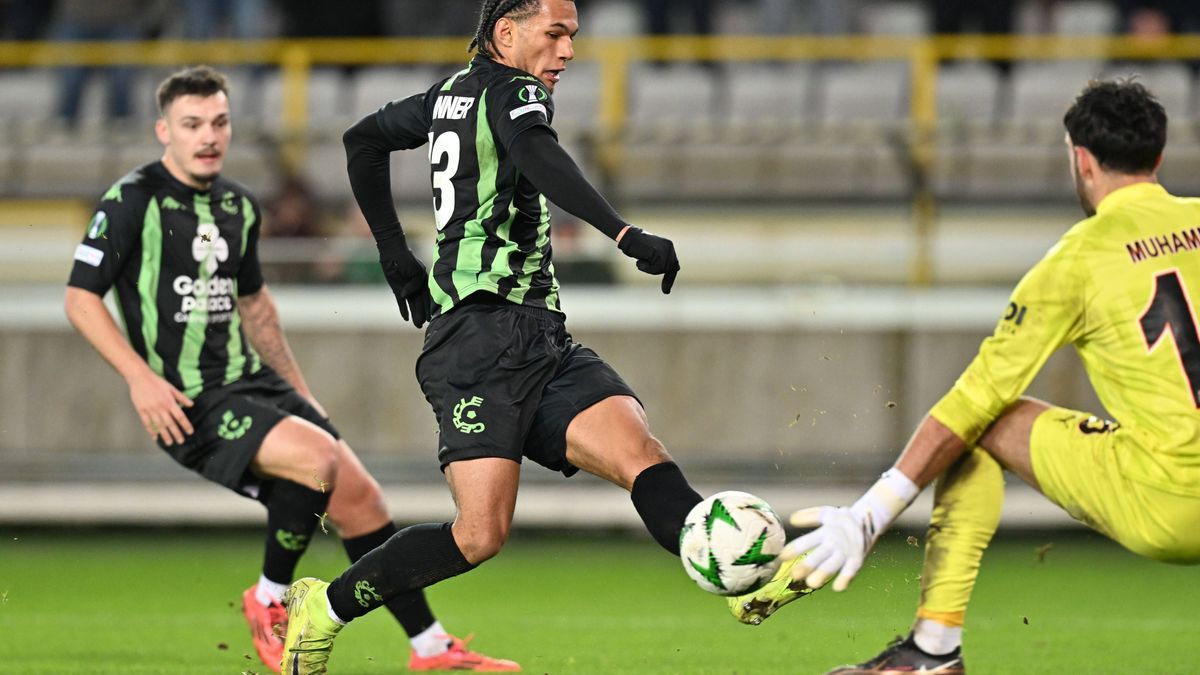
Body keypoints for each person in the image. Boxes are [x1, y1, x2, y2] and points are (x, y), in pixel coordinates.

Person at [276, 1, 730, 672]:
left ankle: (737, 572)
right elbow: (535, 154)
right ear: (506, 33)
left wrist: (397, 254)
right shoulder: (514, 90)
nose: (568, 50)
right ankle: (327, 606)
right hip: (478, 341)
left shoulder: (449, 94)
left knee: (640, 452)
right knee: (479, 534)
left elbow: (361, 140)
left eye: (573, 35)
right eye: (555, 33)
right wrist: (624, 233)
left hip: (543, 336)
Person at [64, 65, 518, 674]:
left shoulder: (238, 206)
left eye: (219, 122)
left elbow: (255, 307)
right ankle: (270, 597)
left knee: (361, 498)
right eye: (191, 124)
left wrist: (304, 399)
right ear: (162, 130)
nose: (208, 136)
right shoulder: (131, 200)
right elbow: (79, 298)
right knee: (317, 464)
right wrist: (139, 378)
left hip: (252, 384)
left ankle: (430, 647)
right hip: (189, 398)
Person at [757, 79, 1200, 674]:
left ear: (1082, 159)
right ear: (1159, 157)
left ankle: (933, 652)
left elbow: (975, 399)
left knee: (990, 420)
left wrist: (871, 513)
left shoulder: (1076, 260)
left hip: (1172, 503)